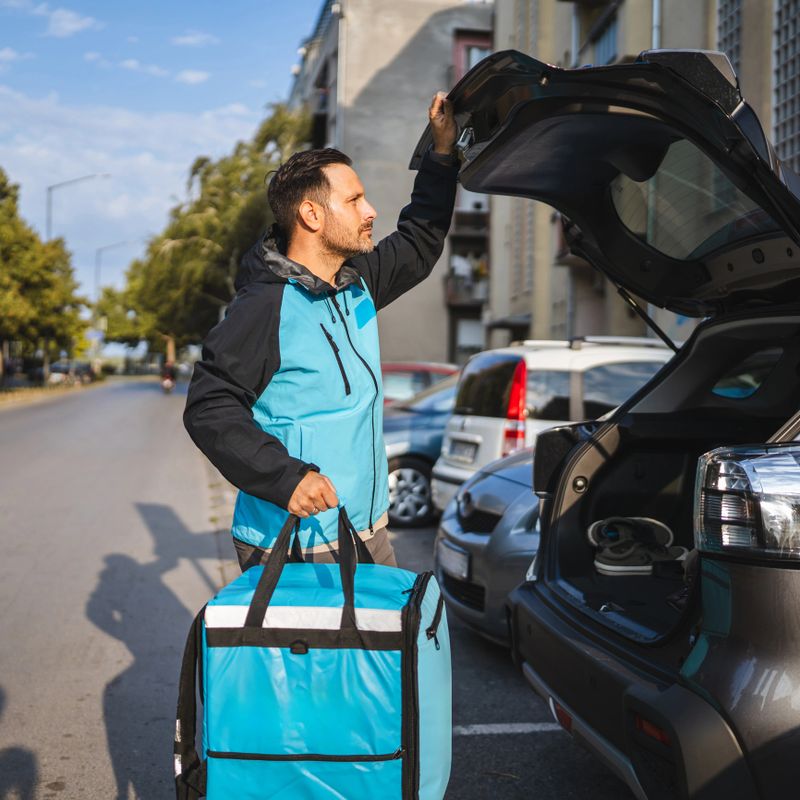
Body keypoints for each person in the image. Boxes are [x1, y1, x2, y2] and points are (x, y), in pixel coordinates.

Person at [184, 92, 458, 570]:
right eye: (354, 200)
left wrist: (441, 154)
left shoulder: (358, 283)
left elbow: (421, 239)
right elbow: (210, 406)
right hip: (296, 542)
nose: (370, 210)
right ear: (311, 215)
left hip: (367, 527)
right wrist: (285, 478)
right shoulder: (264, 304)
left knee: (385, 645)